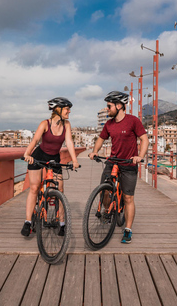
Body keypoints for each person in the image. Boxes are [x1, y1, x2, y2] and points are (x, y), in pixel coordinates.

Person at [88, 91, 148, 244]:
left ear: (119, 106)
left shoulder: (133, 121)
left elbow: (144, 139)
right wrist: (95, 151)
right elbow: (101, 139)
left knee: (128, 198)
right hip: (112, 162)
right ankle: (108, 213)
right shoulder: (109, 124)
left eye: (109, 106)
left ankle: (128, 229)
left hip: (128, 164)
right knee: (105, 190)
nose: (107, 109)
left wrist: (139, 156)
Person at [22, 97, 80, 237]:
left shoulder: (66, 124)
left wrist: (74, 160)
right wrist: (26, 154)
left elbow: (69, 142)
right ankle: (28, 221)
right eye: (67, 109)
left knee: (60, 189)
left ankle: (61, 224)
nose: (69, 111)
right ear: (58, 110)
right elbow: (35, 140)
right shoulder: (45, 124)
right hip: (39, 156)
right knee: (34, 188)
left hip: (55, 158)